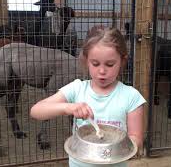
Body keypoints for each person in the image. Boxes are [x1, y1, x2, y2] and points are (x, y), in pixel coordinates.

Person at [30, 26, 146, 167]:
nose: (102, 71)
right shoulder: (77, 89)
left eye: (110, 64)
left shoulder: (131, 96)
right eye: (95, 64)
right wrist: (68, 107)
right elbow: (36, 111)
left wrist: (114, 147)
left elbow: (136, 140)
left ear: (122, 61)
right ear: (86, 61)